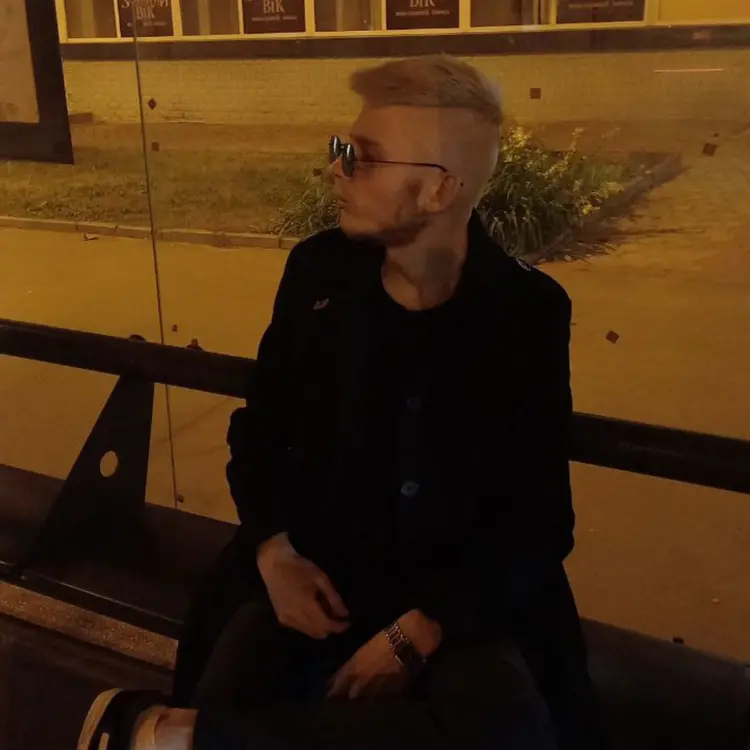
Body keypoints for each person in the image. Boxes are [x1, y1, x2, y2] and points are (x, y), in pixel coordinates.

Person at [77, 55, 606, 750]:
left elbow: (540, 519)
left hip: (457, 603)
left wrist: (421, 629)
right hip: (314, 576)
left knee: (511, 730)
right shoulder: (318, 274)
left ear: (439, 190)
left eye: (364, 157)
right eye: (342, 148)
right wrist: (274, 553)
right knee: (235, 681)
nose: (336, 170)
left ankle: (166, 736)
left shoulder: (525, 311)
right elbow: (258, 435)